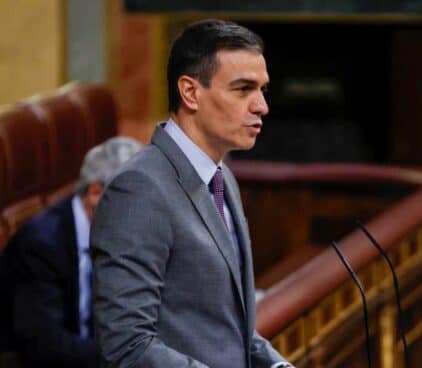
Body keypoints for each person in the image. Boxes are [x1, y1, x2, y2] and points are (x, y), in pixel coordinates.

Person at [90, 20, 292, 368]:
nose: (261, 106)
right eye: (243, 89)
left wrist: (276, 365)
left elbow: (226, 325)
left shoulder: (221, 174)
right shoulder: (138, 190)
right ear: (190, 92)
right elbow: (128, 344)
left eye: (262, 90)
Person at [3, 136, 142, 367]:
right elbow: (44, 345)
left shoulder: (120, 233)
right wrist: (128, 358)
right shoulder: (40, 246)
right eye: (134, 202)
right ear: (96, 193)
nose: (141, 213)